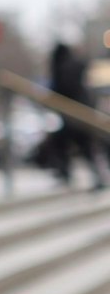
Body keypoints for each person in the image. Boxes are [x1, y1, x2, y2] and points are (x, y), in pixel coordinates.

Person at [47, 42, 107, 190]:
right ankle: (93, 176)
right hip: (81, 111)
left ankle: (68, 173)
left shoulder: (61, 68)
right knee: (81, 146)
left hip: (73, 113)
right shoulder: (75, 64)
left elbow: (60, 89)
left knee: (69, 144)